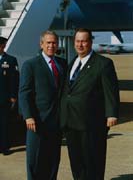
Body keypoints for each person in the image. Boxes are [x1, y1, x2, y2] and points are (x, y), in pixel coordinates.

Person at [60, 28, 120, 180]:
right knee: (77, 163)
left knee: (93, 162)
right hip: (71, 122)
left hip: (92, 123)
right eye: (78, 41)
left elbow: (111, 90)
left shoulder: (103, 63)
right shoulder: (72, 62)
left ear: (91, 43)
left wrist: (111, 113)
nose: (80, 45)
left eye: (84, 41)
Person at [19, 30, 67, 180]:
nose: (51, 46)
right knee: (35, 160)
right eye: (48, 43)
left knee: (53, 159)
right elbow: (24, 93)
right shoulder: (31, 65)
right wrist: (28, 116)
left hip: (56, 122)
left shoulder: (62, 63)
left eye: (54, 43)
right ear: (41, 44)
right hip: (37, 121)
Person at [0, 36, 19, 155]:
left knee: (4, 123)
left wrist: (13, 96)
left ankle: (4, 147)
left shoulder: (11, 60)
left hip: (4, 98)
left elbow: (14, 79)